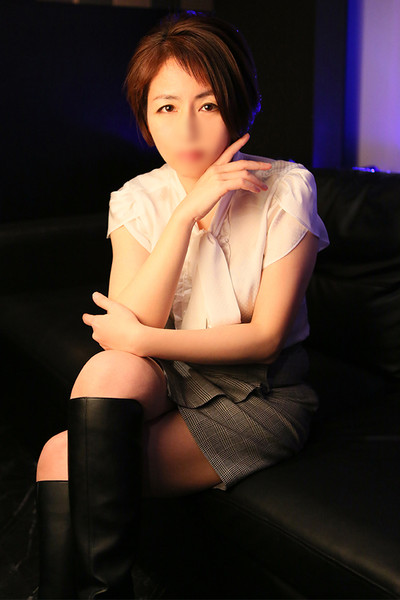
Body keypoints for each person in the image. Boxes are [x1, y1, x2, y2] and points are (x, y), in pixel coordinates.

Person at [35, 10, 329, 599]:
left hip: (259, 394)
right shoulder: (138, 198)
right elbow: (127, 334)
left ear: (240, 106)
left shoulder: (286, 186)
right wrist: (183, 216)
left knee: (60, 460)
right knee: (104, 378)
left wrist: (142, 340)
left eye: (208, 104)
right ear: (145, 117)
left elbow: (265, 339)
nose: (187, 130)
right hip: (171, 378)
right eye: (166, 107)